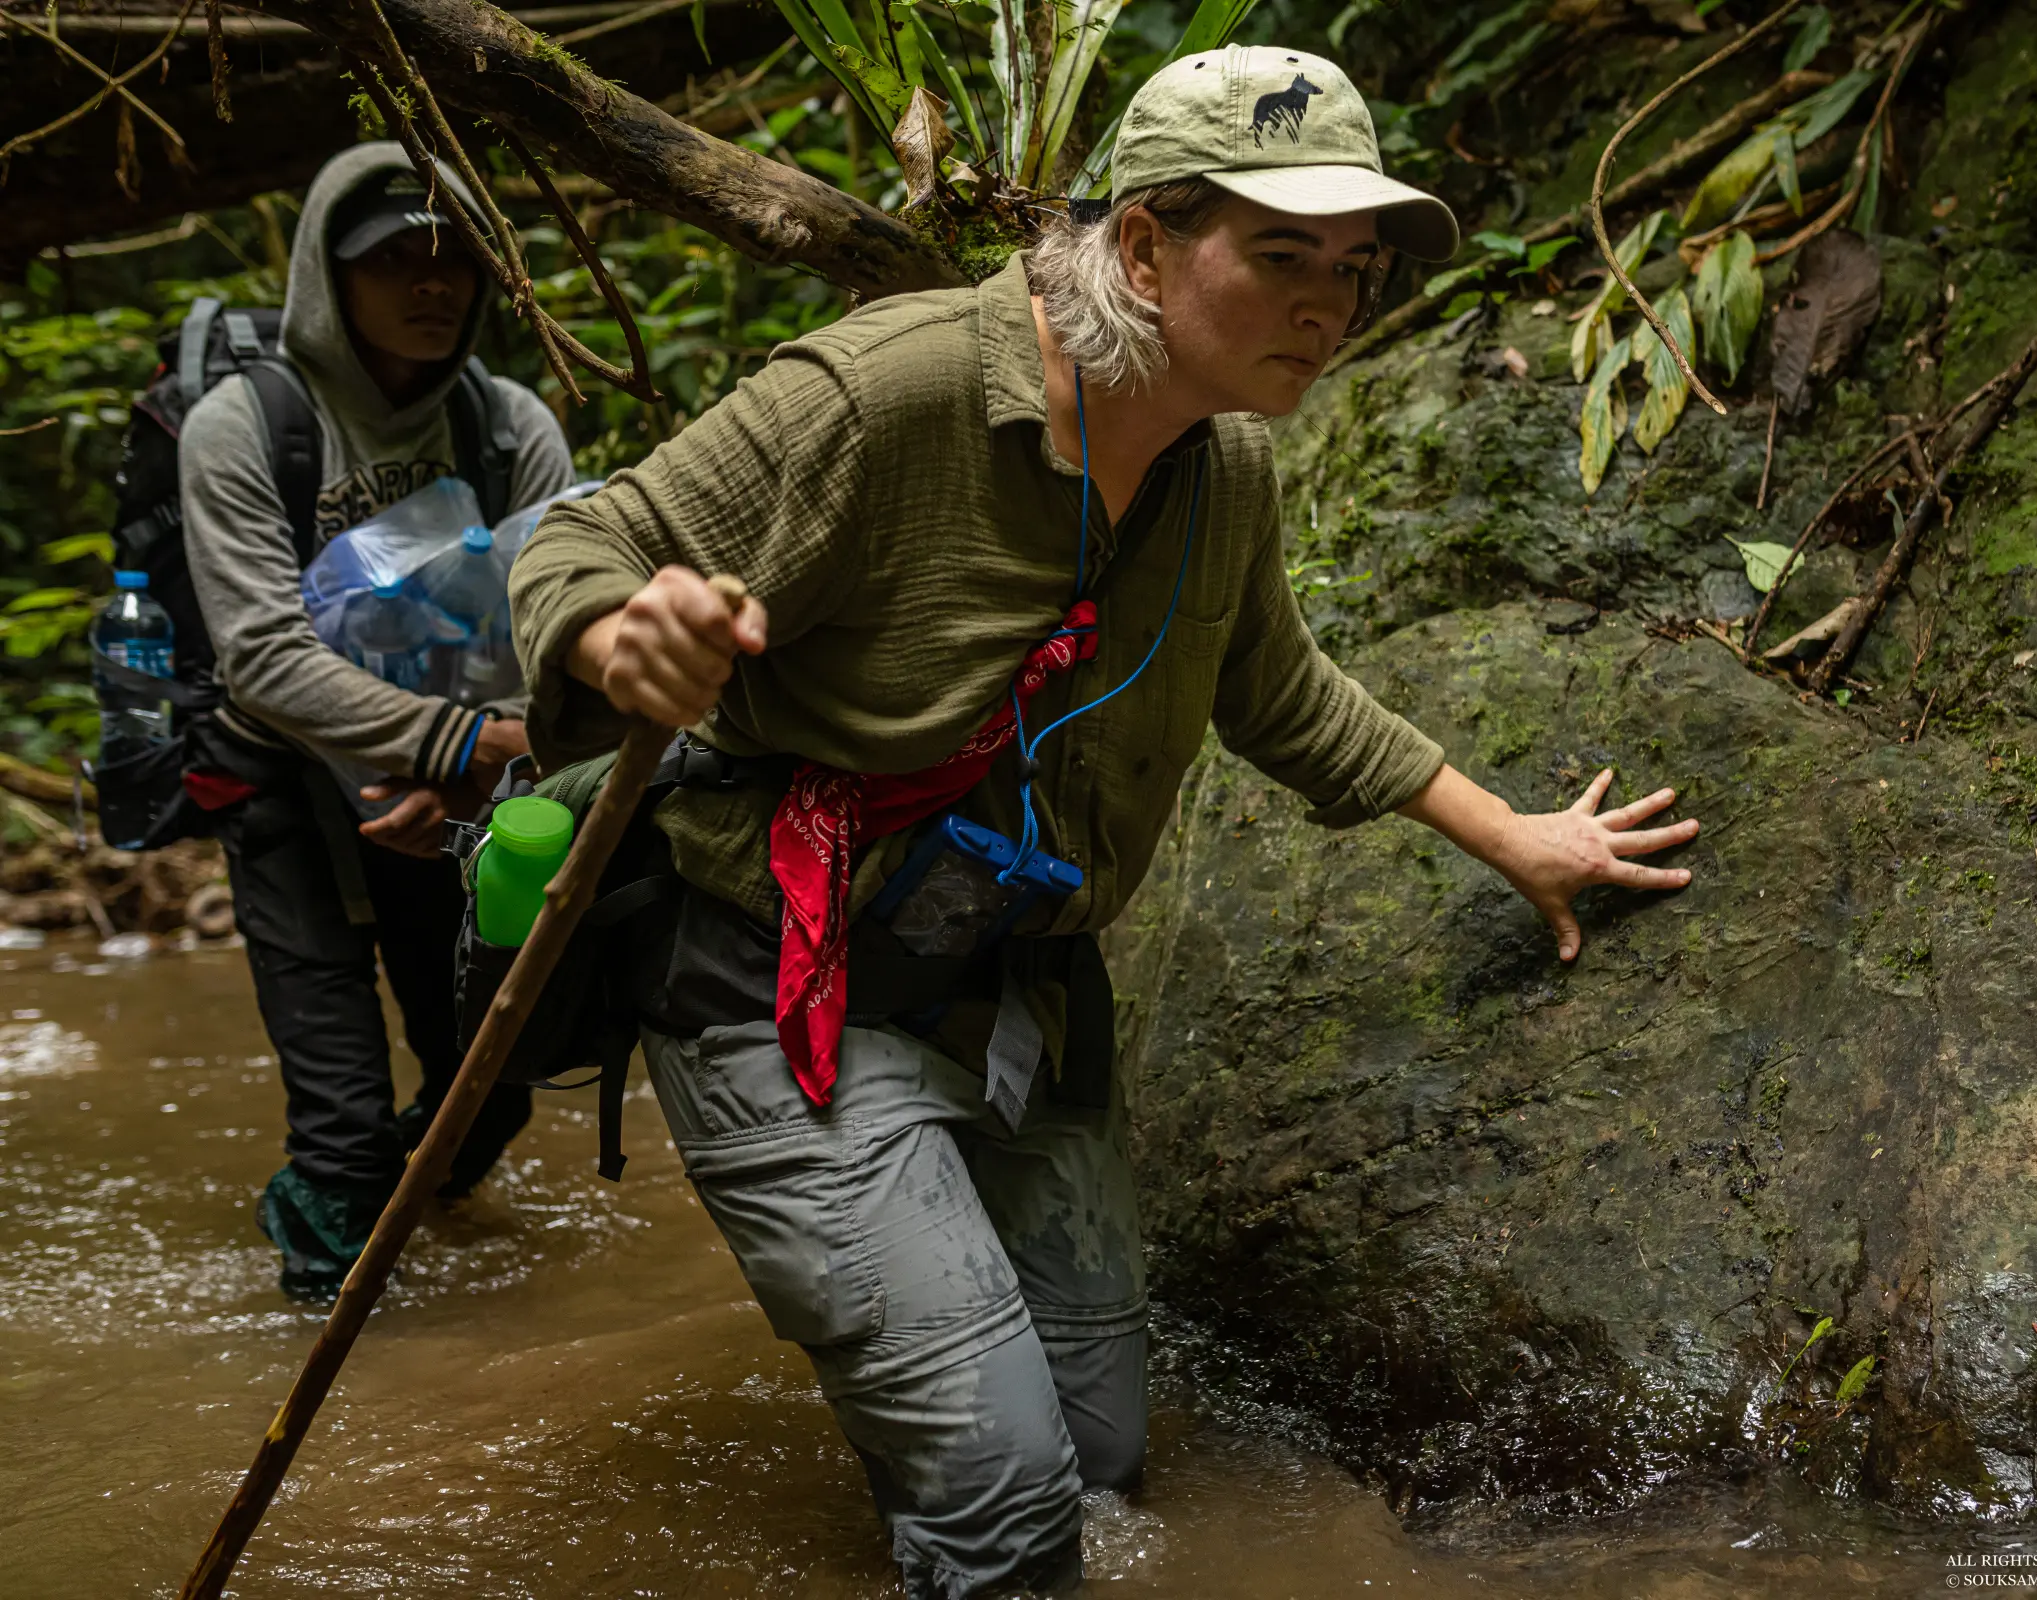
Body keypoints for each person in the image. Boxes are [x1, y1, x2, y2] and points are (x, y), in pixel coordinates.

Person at [511, 46, 1698, 1597]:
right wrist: (624, 643)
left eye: (1349, 270)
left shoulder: (1230, 467)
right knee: (1010, 1512)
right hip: (787, 976)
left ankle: (945, 1407)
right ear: (1143, 246)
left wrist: (1519, 836)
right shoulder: (893, 392)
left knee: (1106, 1463)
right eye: (1282, 257)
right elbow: (578, 542)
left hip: (1025, 985)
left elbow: (1279, 692)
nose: (1329, 308)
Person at [179, 145, 577, 1299]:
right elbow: (257, 657)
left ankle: (416, 1238)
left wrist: (478, 767)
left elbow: (552, 632)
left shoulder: (511, 432)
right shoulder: (244, 426)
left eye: (452, 258)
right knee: (344, 1128)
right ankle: (333, 1308)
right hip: (283, 790)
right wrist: (458, 743)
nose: (430, 283)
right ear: (325, 275)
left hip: (454, 797)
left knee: (495, 1080)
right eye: (391, 258)